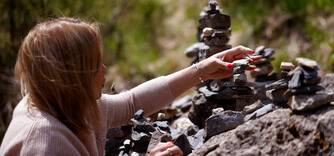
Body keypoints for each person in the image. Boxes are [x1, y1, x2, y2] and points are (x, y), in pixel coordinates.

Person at [0, 17, 261, 156]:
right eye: (94, 66)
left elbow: (132, 103)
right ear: (70, 77)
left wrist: (201, 70)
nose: (104, 70)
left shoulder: (66, 104)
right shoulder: (45, 142)